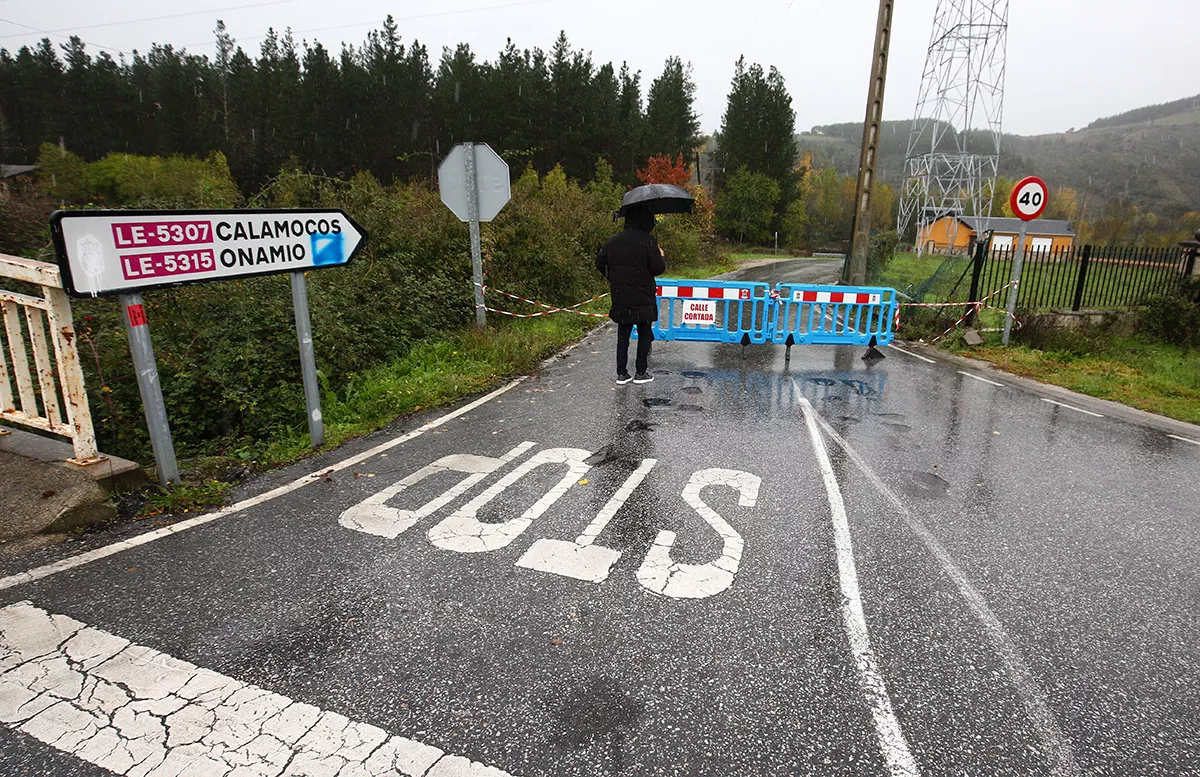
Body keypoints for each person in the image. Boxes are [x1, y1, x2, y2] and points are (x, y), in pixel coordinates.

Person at [595, 205, 667, 384]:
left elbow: (599, 261)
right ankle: (641, 372)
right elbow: (658, 269)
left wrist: (612, 276)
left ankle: (622, 373)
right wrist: (660, 254)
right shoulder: (649, 242)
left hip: (621, 295)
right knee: (644, 332)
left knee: (623, 333)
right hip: (643, 296)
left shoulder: (613, 241)